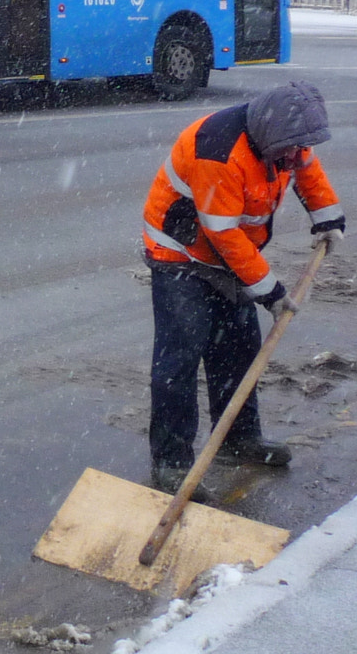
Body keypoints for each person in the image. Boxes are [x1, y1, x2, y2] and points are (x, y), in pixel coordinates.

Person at [140, 79, 345, 501]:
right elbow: (222, 233)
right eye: (290, 148)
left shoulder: (286, 143)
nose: (295, 155)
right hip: (182, 253)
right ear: (270, 135)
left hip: (231, 253)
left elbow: (307, 170)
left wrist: (328, 217)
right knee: (178, 362)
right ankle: (171, 464)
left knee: (237, 351)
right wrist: (270, 291)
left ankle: (238, 440)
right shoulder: (216, 151)